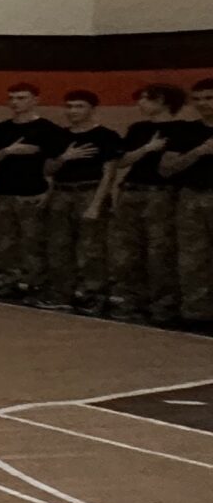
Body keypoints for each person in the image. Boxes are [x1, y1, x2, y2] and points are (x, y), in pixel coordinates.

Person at [107, 84, 185, 324]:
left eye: (144, 99)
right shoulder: (138, 128)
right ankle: (132, 301)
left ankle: (163, 306)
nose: (140, 104)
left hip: (161, 193)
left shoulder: (183, 129)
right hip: (131, 189)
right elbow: (122, 161)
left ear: (160, 100)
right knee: (127, 250)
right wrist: (147, 148)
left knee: (159, 250)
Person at [0, 84, 65, 299]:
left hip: (33, 191)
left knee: (33, 241)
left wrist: (49, 192)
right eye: (12, 98)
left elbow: (55, 166)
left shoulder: (49, 129)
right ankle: (12, 282)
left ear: (35, 100)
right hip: (4, 191)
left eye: (21, 98)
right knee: (6, 242)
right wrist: (8, 151)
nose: (15, 102)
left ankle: (36, 284)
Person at [44, 90, 116, 312]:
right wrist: (65, 158)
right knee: (59, 246)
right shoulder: (59, 136)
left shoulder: (106, 136)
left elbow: (109, 173)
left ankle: (93, 295)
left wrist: (96, 204)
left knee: (91, 247)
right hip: (62, 191)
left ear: (92, 109)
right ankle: (62, 294)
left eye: (79, 106)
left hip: (89, 191)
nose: (73, 111)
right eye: (69, 106)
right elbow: (48, 169)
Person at [167, 80, 213, 326]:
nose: (203, 104)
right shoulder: (186, 131)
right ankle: (197, 315)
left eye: (209, 98)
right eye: (198, 99)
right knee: (192, 258)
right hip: (192, 197)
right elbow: (166, 168)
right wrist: (199, 151)